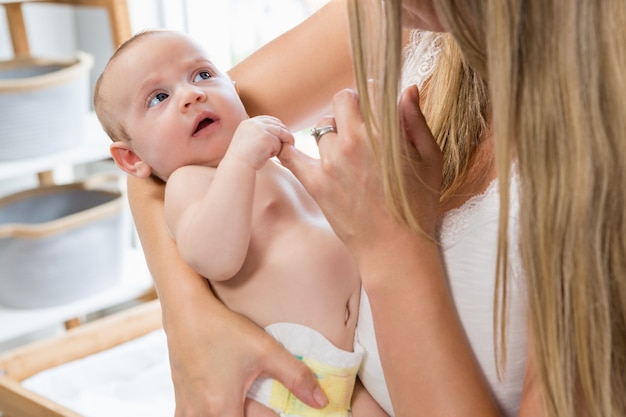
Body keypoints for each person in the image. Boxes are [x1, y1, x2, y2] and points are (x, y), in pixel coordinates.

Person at [131, 1, 626, 415]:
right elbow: (162, 145)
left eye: (198, 75)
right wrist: (191, 325)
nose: (189, 92)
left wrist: (392, 245)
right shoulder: (401, 14)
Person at [94, 29, 389, 416]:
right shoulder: (189, 184)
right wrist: (239, 161)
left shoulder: (268, 160)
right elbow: (212, 256)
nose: (191, 94)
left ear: (234, 91)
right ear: (132, 159)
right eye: (158, 98)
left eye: (202, 75)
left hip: (346, 367)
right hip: (278, 383)